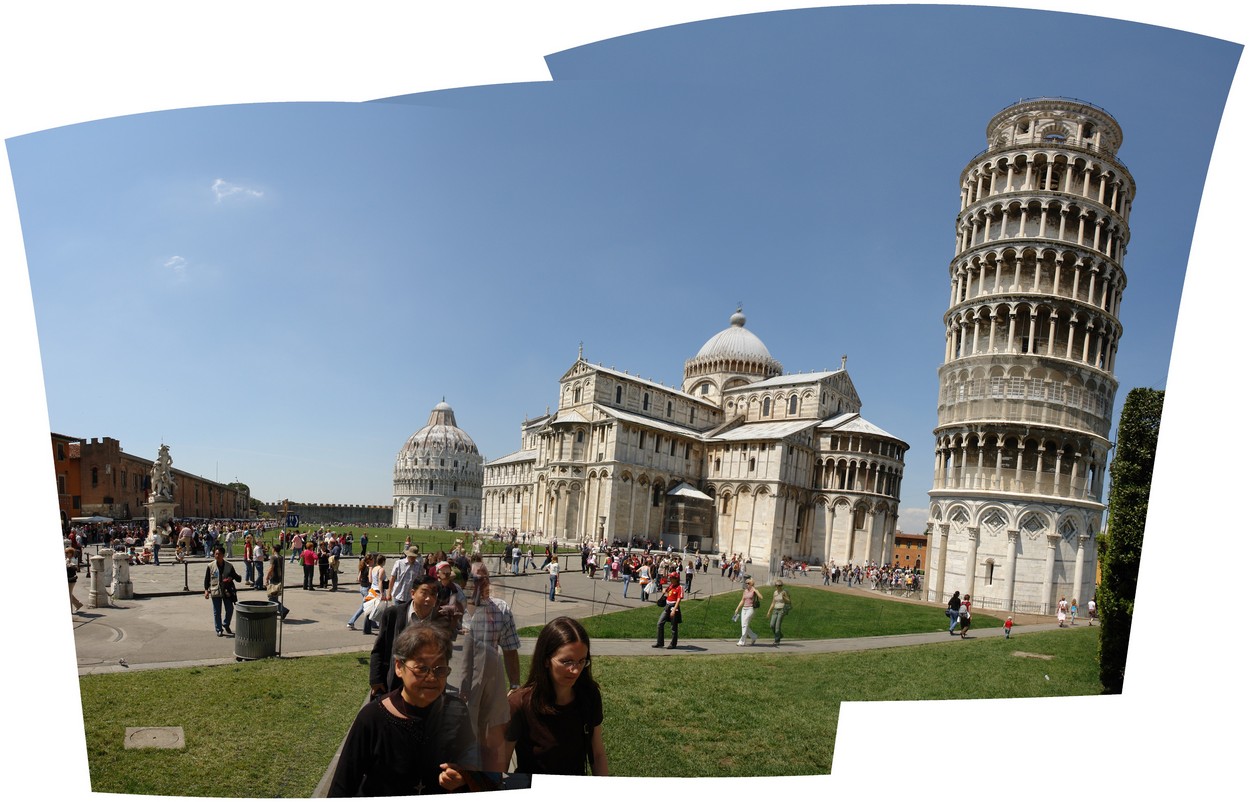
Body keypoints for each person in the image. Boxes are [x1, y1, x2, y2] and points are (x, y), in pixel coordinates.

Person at [331, 623, 488, 796]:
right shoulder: (372, 718)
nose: (431, 677)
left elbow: (471, 760)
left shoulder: (457, 711)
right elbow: (343, 785)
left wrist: (463, 776)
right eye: (421, 669)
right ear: (399, 667)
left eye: (440, 669)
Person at [504, 616, 608, 777]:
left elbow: (598, 754)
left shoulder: (589, 695)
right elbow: (499, 767)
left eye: (582, 661)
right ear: (546, 660)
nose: (576, 670)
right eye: (567, 662)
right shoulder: (519, 705)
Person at [457, 562, 522, 772]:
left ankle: (489, 777)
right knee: (462, 733)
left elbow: (510, 649)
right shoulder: (455, 610)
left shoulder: (501, 609)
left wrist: (514, 684)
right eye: (475, 578)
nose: (481, 582)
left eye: (484, 577)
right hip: (460, 679)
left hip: (491, 678)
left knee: (492, 733)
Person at [369, 577, 443, 699]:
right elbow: (379, 648)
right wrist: (375, 680)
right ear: (413, 593)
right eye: (424, 593)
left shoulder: (440, 621)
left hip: (424, 687)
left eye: (433, 594)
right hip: (393, 683)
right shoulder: (393, 614)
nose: (428, 598)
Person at [204, 545, 241, 637]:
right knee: (217, 611)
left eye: (219, 554)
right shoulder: (210, 566)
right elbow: (207, 579)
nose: (217, 556)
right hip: (215, 590)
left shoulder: (229, 566)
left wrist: (231, 578)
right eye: (216, 554)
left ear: (223, 555)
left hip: (226, 591)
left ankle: (226, 623)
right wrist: (206, 590)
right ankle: (219, 629)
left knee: (230, 609)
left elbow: (237, 578)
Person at [654, 571, 684, 649]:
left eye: (671, 578)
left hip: (674, 607)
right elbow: (666, 592)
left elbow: (678, 599)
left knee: (673, 627)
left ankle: (673, 644)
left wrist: (674, 610)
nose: (670, 579)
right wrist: (663, 591)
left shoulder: (679, 587)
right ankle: (660, 642)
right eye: (670, 577)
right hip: (667, 606)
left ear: (676, 579)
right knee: (660, 623)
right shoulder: (671, 586)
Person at [363, 554, 389, 637]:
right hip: (378, 591)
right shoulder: (381, 569)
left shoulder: (374, 568)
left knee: (369, 610)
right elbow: (380, 581)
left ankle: (366, 629)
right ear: (383, 561)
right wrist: (382, 593)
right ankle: (383, 630)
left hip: (372, 590)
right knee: (381, 611)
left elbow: (370, 579)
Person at [733, 577, 762, 646]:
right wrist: (737, 608)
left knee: (745, 625)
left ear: (751, 584)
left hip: (750, 609)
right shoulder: (745, 591)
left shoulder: (754, 591)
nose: (747, 584)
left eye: (748, 583)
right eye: (746, 583)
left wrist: (755, 590)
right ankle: (754, 636)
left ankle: (742, 641)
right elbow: (742, 600)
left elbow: (761, 597)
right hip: (744, 609)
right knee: (744, 625)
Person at [767, 578, 792, 645]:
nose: (778, 587)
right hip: (775, 610)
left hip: (781, 610)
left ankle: (777, 640)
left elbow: (788, 601)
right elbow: (773, 602)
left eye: (780, 585)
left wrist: (784, 597)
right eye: (777, 585)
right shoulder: (775, 592)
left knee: (777, 626)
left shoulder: (783, 592)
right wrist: (769, 611)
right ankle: (780, 635)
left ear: (781, 586)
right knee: (772, 625)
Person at [266, 553, 289, 620]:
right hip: (279, 578)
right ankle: (277, 612)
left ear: (274, 549)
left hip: (274, 578)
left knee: (271, 598)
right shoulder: (281, 557)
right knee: (274, 598)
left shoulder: (273, 557)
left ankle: (283, 610)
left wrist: (267, 577)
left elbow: (271, 568)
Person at [67, 546, 84, 614]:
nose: (65, 554)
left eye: (67, 553)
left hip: (71, 579)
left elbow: (74, 567)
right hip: (69, 578)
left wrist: (69, 564)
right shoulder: (68, 559)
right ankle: (78, 604)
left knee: (69, 594)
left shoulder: (73, 559)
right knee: (69, 593)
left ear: (71, 553)